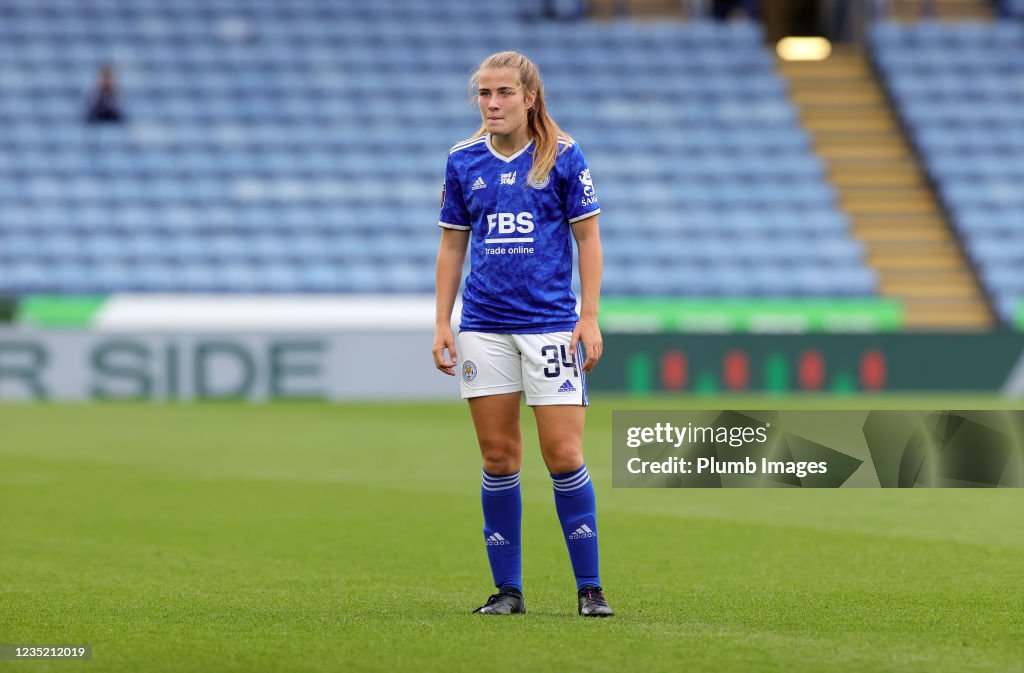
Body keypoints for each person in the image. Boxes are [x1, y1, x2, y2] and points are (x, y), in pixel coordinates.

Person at [432, 51, 613, 617]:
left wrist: (589, 316)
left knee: (563, 453)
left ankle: (590, 589)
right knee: (499, 457)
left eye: (504, 92)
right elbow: (452, 244)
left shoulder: (563, 155)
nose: (492, 103)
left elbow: (588, 240)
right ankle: (507, 590)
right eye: (484, 94)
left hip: (552, 325)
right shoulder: (463, 160)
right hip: (483, 327)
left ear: (530, 97)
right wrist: (442, 320)